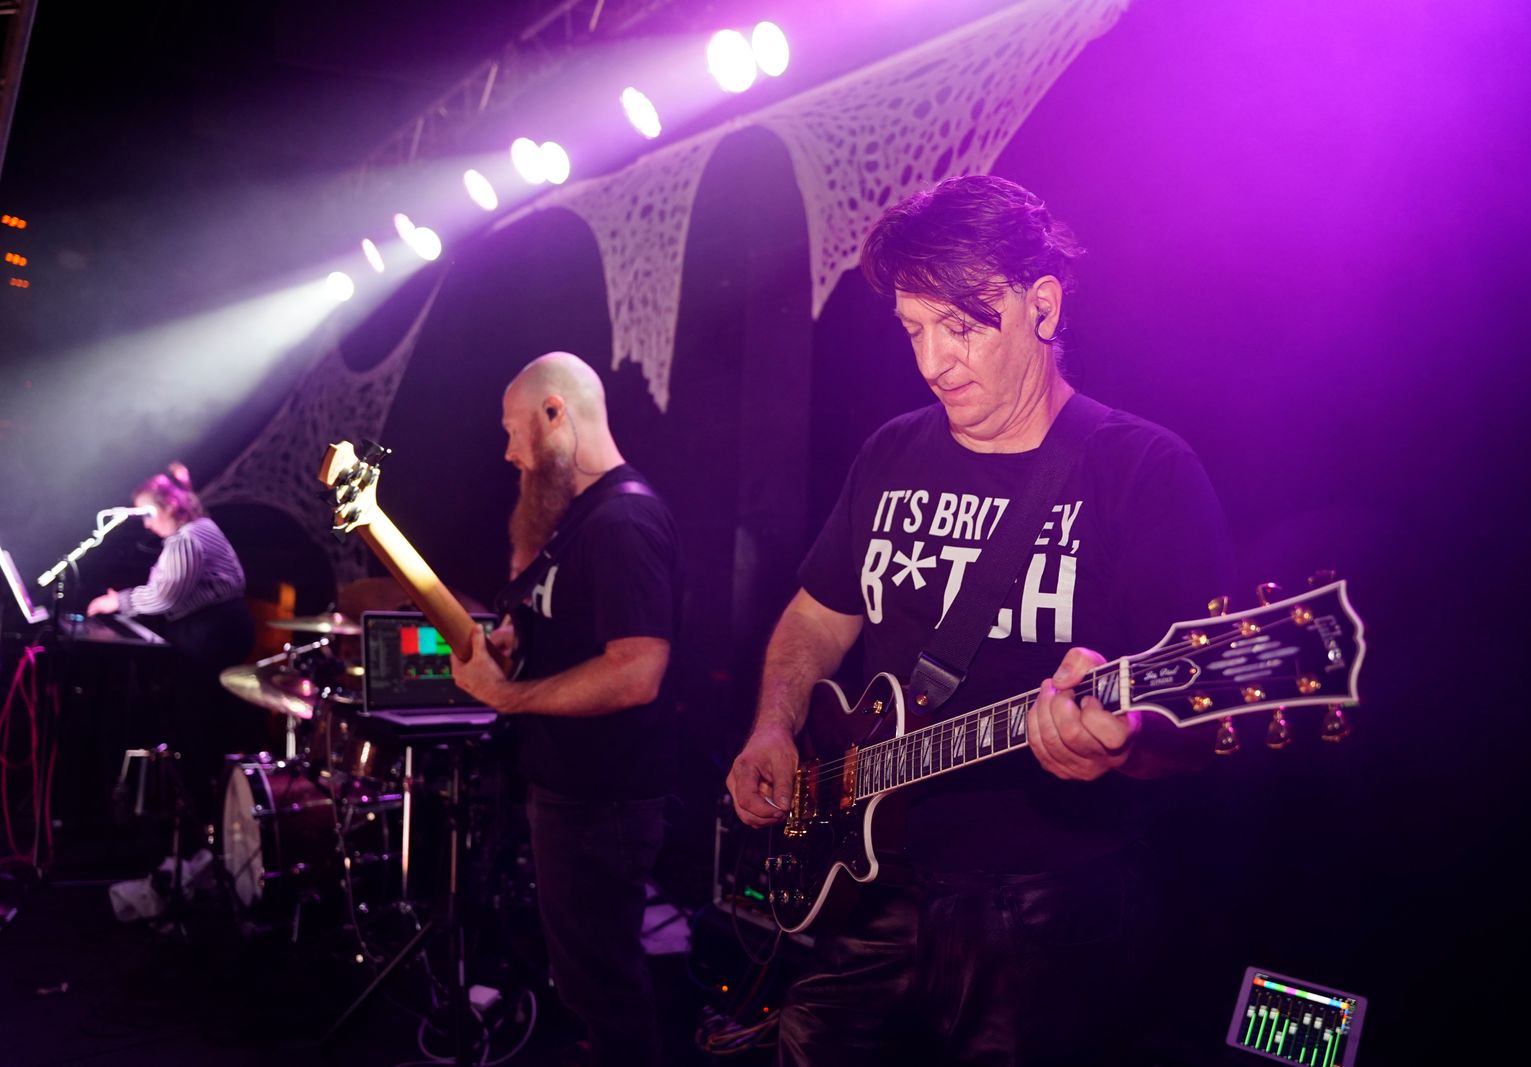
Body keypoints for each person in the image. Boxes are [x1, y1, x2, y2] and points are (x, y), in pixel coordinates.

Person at [725, 174, 1234, 1065]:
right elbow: (818, 612)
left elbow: (1201, 713)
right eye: (913, 330)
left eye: (961, 326)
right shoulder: (891, 450)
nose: (933, 362)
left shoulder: (1142, 471)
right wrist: (774, 721)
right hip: (874, 890)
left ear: (1043, 305)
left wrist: (1127, 741)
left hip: (1046, 910)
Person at [451, 352, 680, 1067]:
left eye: (513, 430)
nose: (508, 451)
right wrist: (519, 640)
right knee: (586, 981)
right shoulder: (582, 516)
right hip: (570, 791)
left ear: (555, 413)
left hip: (602, 800)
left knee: (604, 989)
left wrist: (507, 696)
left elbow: (637, 670)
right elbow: (574, 630)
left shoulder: (624, 520)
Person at [85, 462, 255, 816]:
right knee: (202, 721)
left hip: (210, 633)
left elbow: (165, 596)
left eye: (148, 514)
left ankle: (203, 816)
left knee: (195, 723)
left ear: (169, 507)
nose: (146, 524)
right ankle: (207, 810)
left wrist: (118, 602)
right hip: (218, 629)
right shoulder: (200, 528)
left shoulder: (188, 538)